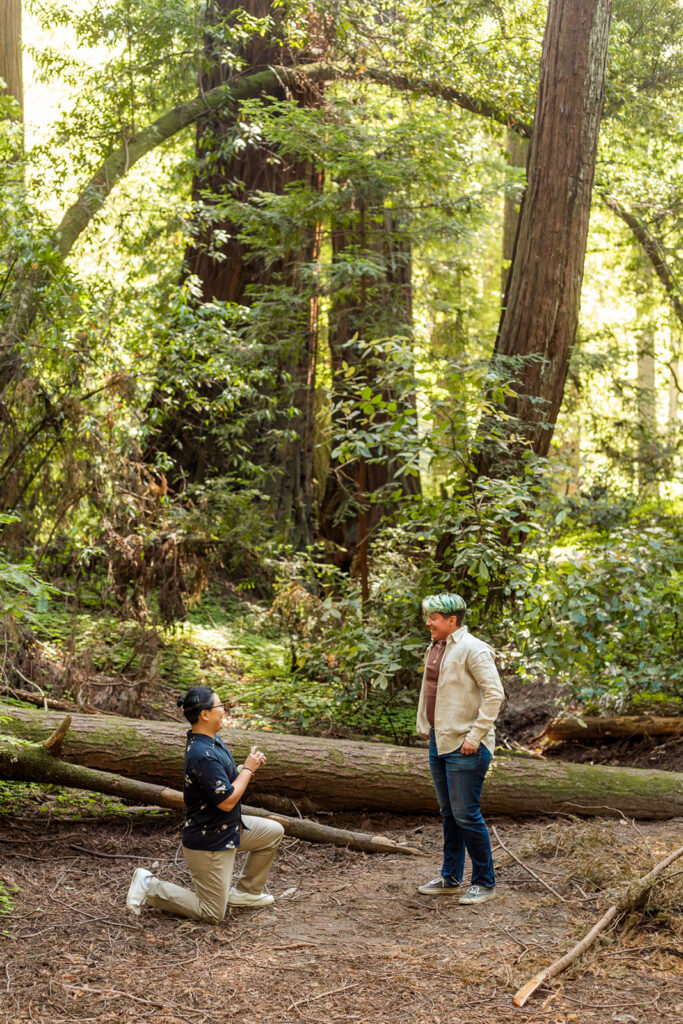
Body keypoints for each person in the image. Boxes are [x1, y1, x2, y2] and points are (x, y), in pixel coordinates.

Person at [126, 686, 284, 922]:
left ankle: (246, 891)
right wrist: (248, 770)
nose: (224, 710)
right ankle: (150, 886)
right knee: (212, 913)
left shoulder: (212, 741)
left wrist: (243, 769)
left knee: (273, 832)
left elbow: (221, 783)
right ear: (205, 714)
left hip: (227, 828)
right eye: (220, 706)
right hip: (210, 839)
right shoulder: (202, 753)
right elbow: (227, 802)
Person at [415, 593, 504, 905]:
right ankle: (450, 878)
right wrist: (426, 727)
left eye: (434, 618)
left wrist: (474, 736)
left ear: (452, 621)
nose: (428, 623)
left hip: (467, 746)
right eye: (429, 616)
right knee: (449, 814)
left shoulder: (473, 649)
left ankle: (485, 882)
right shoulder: (436, 647)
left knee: (466, 814)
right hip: (439, 741)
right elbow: (432, 691)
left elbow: (495, 695)